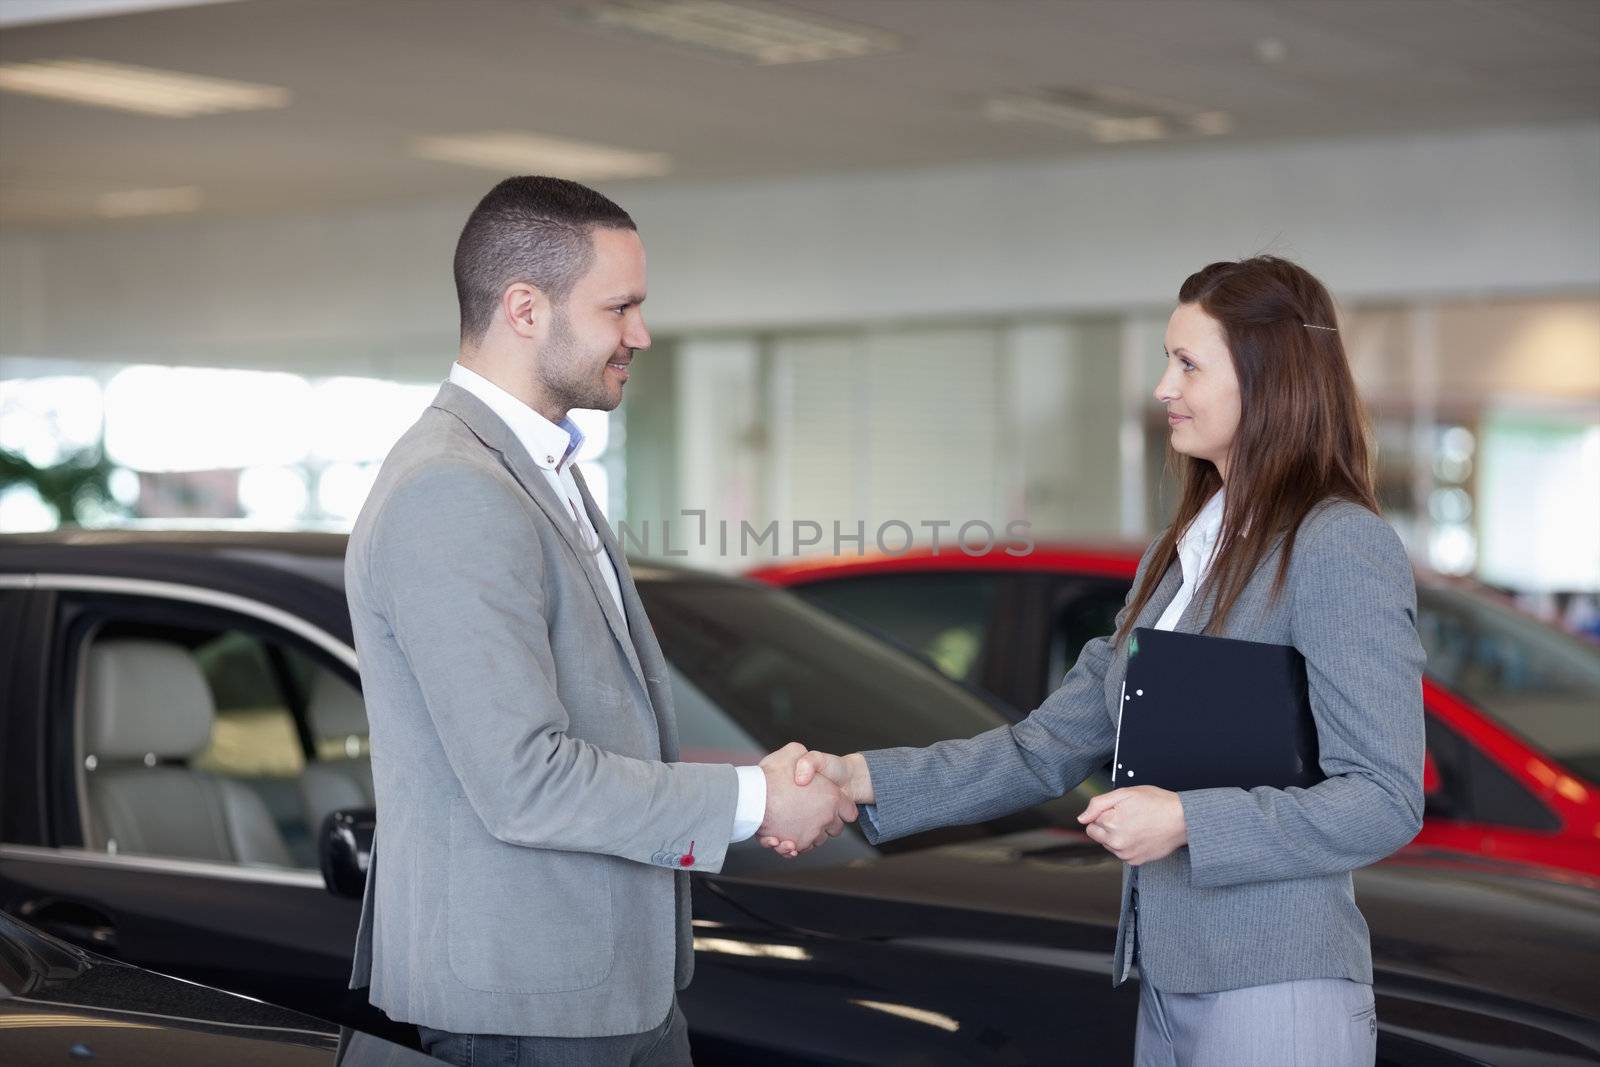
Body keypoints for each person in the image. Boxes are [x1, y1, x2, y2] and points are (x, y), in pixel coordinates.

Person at [774, 256, 1424, 1066]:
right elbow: (1041, 748)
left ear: (1269, 379)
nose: (1162, 388)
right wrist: (857, 779)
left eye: (1188, 363)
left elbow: (1384, 798)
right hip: (1168, 978)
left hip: (1274, 983)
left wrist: (1185, 820)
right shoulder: (1179, 555)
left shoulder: (1336, 544)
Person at [344, 175, 853, 1066]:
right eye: (621, 307)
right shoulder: (452, 491)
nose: (641, 334)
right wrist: (756, 798)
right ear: (525, 308)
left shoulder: (536, 465)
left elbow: (605, 722)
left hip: (599, 987)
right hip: (526, 1000)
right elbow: (526, 779)